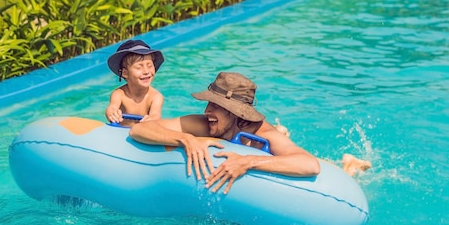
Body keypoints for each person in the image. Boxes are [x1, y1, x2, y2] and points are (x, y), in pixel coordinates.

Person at [129, 72, 371, 194]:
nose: (207, 110)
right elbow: (140, 128)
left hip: (268, 152)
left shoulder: (263, 135)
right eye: (209, 102)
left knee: (315, 160)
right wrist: (185, 139)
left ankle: (349, 167)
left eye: (216, 105)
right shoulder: (206, 123)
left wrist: (248, 162)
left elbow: (309, 165)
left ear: (236, 113)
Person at [105, 39, 165, 125]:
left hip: (144, 134)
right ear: (125, 73)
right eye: (139, 67)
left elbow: (156, 115)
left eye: (149, 65)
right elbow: (112, 108)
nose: (146, 71)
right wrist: (112, 114)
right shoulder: (119, 94)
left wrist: (152, 119)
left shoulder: (155, 97)